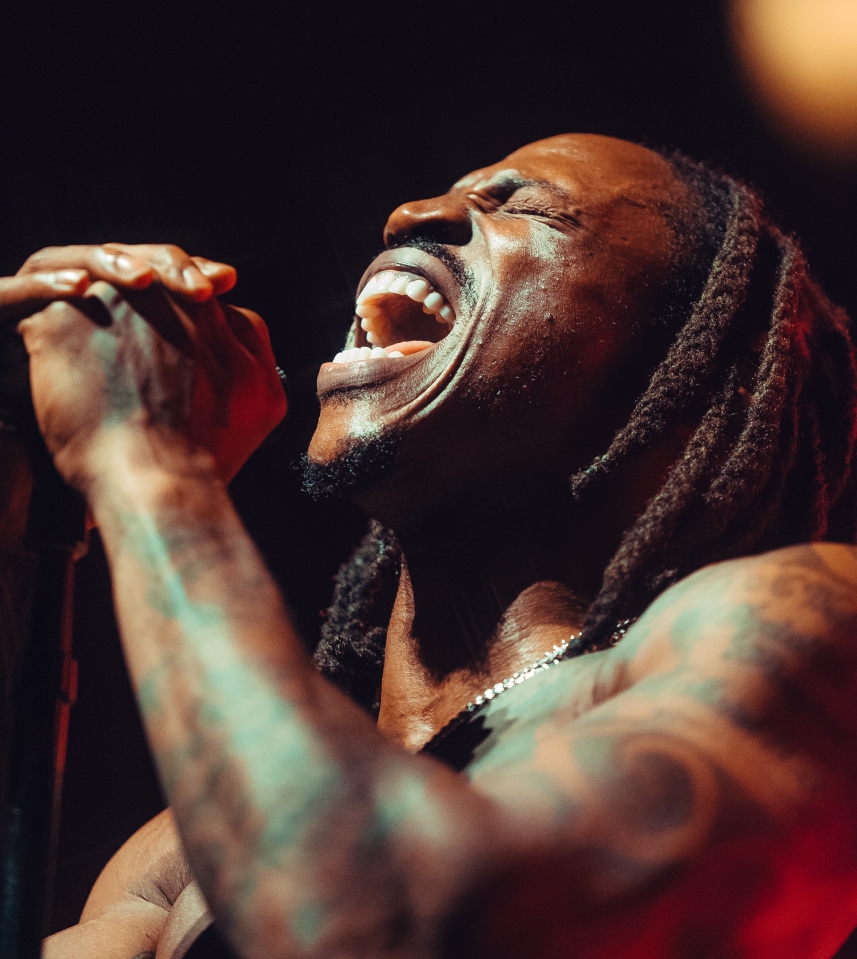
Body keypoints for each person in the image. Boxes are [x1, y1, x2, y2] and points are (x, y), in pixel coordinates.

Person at [5, 133, 856, 959]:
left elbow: (389, 927)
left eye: (526, 208)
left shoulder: (802, 623)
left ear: (693, 366)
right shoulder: (189, 850)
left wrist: (150, 463)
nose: (409, 214)